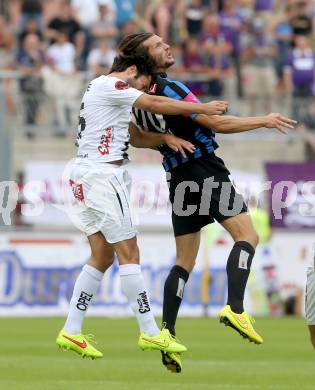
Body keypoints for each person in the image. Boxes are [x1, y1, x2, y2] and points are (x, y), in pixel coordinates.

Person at [118, 32, 296, 373]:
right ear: (146, 60)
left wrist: (163, 140)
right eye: (158, 46)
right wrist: (264, 120)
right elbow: (216, 122)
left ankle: (167, 333)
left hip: (177, 178)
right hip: (203, 168)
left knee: (184, 260)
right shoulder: (169, 89)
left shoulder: (134, 98)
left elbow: (135, 136)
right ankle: (235, 308)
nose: (166, 46)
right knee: (248, 235)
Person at [56, 46, 228, 359]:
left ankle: (71, 328)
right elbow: (154, 102)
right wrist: (203, 107)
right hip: (102, 175)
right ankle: (150, 332)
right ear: (133, 71)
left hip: (83, 173)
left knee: (101, 256)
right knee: (130, 252)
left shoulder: (99, 88)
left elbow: (135, 134)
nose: (141, 89)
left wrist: (165, 139)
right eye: (142, 80)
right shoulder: (114, 85)